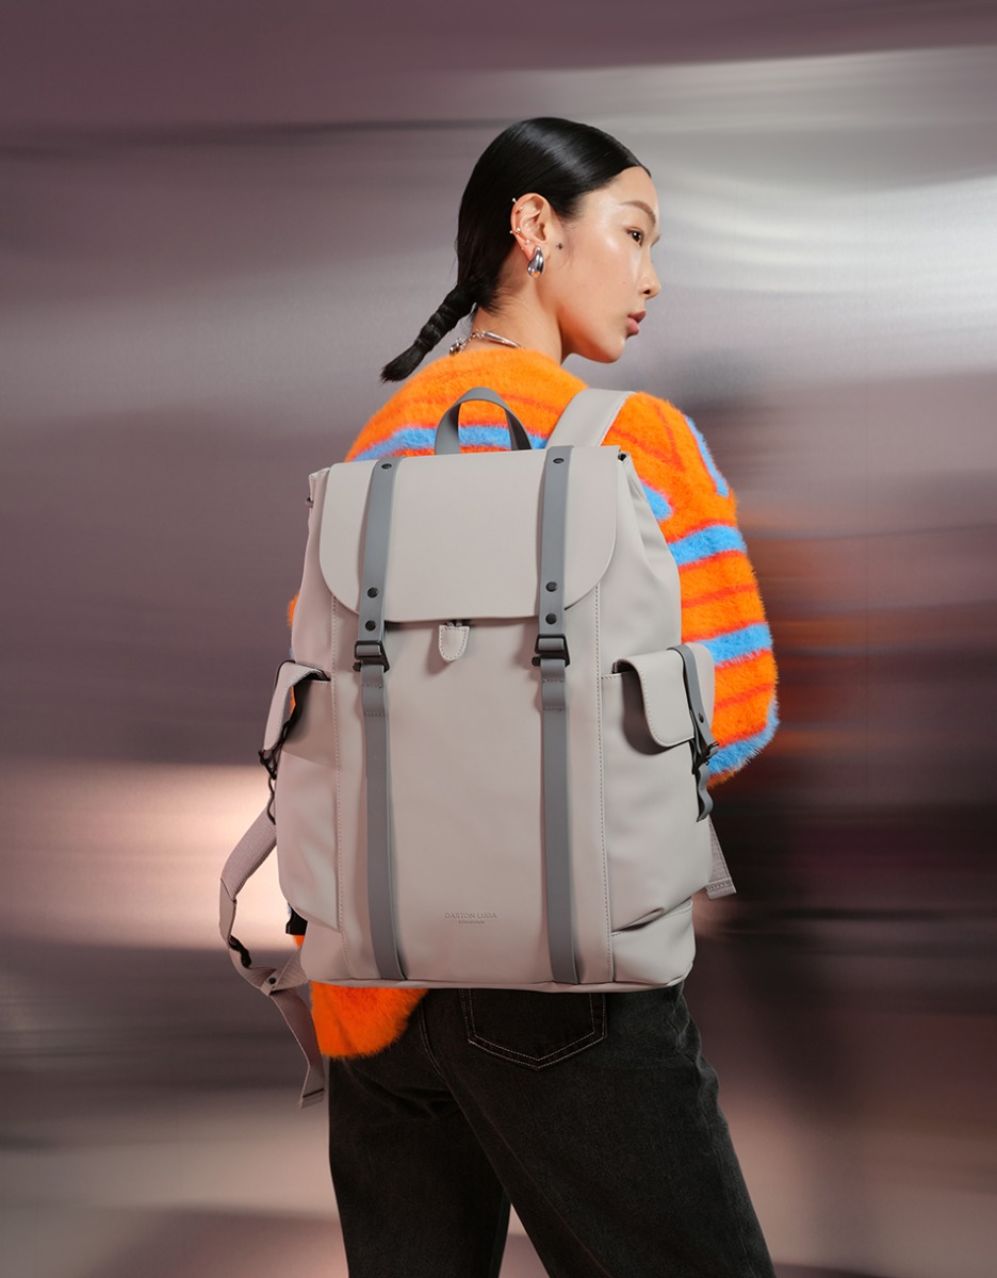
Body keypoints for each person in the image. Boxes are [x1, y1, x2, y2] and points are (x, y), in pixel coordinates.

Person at [286, 116, 780, 1277]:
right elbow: (736, 708)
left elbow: (323, 704)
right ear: (534, 225)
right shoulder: (634, 441)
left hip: (369, 990)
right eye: (635, 233)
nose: (651, 277)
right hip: (564, 982)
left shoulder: (369, 455)